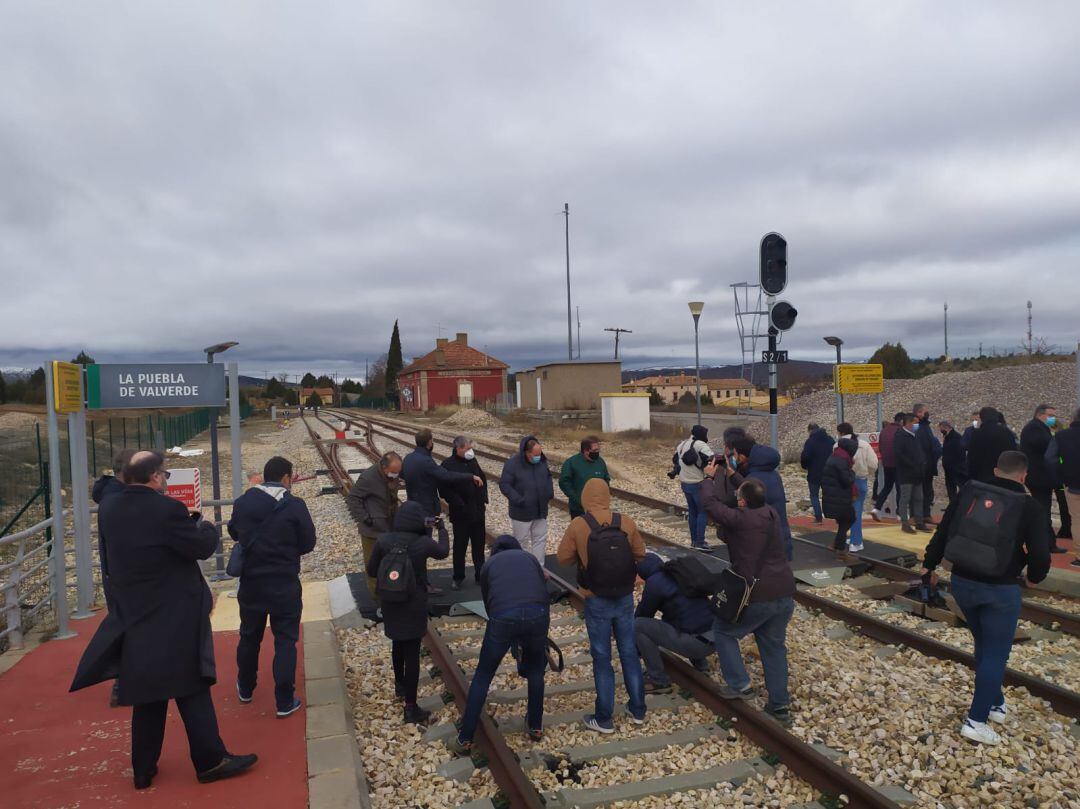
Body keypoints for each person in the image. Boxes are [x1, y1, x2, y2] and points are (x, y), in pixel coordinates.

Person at [71, 451, 257, 789]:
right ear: (155, 477)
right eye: (165, 475)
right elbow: (199, 546)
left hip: (133, 614)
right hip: (174, 616)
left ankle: (143, 769)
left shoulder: (110, 509)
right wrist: (205, 525)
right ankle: (211, 761)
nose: (166, 480)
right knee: (193, 687)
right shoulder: (165, 509)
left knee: (148, 694)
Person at [920, 451, 1050, 745]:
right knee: (996, 653)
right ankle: (976, 721)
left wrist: (929, 564)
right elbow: (1041, 554)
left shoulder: (970, 491)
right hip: (1000, 590)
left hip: (963, 582)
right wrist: (1033, 579)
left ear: (995, 469)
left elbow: (945, 529)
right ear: (1024, 476)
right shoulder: (1030, 506)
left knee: (984, 644)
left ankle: (995, 703)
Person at [700, 466, 796, 727]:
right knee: (774, 646)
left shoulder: (740, 519)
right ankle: (779, 705)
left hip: (757, 593)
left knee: (724, 632)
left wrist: (709, 477)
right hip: (785, 592)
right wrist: (732, 475)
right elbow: (753, 492)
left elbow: (709, 503)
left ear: (742, 501)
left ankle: (740, 684)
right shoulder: (771, 513)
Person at [229, 456, 317, 719]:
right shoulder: (294, 505)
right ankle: (284, 700)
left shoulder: (243, 502)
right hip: (284, 583)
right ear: (286, 478)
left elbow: (235, 532)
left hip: (252, 583)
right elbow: (308, 543)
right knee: (286, 641)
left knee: (249, 636)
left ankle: (245, 687)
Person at [557, 479, 647, 733]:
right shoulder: (625, 521)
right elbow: (641, 554)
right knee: (629, 652)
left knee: (602, 657)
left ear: (585, 498)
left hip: (596, 599)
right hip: (624, 597)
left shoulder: (579, 524)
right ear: (607, 496)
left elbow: (563, 559)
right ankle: (638, 709)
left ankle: (604, 718)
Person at [446, 535, 550, 753]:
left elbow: (488, 602)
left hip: (503, 617)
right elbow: (541, 586)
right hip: (538, 614)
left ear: (494, 552)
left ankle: (464, 739)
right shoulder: (529, 558)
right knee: (536, 670)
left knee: (483, 675)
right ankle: (536, 726)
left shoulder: (489, 565)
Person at [365, 501, 450, 724]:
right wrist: (441, 529)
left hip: (391, 601)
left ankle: (399, 685)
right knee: (412, 653)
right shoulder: (422, 543)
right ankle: (410, 708)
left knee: (397, 643)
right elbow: (443, 552)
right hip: (414, 602)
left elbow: (372, 570)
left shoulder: (384, 541)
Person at [91, 447, 136, 707]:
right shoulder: (119, 501)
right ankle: (122, 683)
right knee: (128, 628)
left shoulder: (109, 496)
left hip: (115, 574)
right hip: (126, 576)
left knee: (125, 625)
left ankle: (124, 681)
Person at [633, 552, 714, 694]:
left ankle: (658, 681)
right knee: (689, 616)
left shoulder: (654, 582)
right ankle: (702, 666)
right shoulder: (677, 573)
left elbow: (643, 614)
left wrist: (635, 649)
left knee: (638, 625)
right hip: (716, 637)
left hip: (695, 645)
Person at [346, 451, 402, 612]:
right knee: (373, 565)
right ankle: (377, 600)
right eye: (393, 471)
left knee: (390, 563)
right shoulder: (368, 477)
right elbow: (353, 498)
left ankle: (389, 594)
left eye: (398, 471)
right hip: (372, 530)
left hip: (389, 527)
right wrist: (365, 518)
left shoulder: (393, 476)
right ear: (384, 467)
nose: (396, 474)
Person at [730, 436, 794, 560]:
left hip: (765, 546)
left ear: (742, 457)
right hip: (781, 539)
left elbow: (744, 512)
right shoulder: (773, 474)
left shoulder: (752, 480)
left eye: (735, 455)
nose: (734, 459)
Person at [440, 436, 489, 589]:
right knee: (460, 546)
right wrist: (459, 503)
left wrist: (483, 500)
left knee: (479, 544)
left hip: (477, 511)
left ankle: (480, 573)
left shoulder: (472, 461)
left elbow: (482, 479)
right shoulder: (448, 464)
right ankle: (458, 576)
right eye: (467, 448)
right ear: (458, 449)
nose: (470, 451)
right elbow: (444, 489)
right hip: (461, 514)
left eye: (470, 448)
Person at [402, 428, 482, 517]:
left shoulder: (407, 458)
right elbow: (447, 475)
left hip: (412, 504)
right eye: (432, 440)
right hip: (426, 509)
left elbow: (402, 475)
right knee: (426, 529)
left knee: (415, 529)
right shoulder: (427, 462)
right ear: (429, 443)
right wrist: (470, 476)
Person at [500, 435, 555, 564]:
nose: (538, 457)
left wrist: (549, 493)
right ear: (526, 452)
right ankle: (523, 568)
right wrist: (519, 500)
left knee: (540, 540)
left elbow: (548, 477)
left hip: (540, 510)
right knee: (521, 542)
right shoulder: (512, 464)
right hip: (521, 512)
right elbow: (504, 485)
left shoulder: (541, 461)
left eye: (539, 453)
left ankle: (539, 567)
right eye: (535, 454)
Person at [1020, 404, 1066, 554]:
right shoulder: (1035, 429)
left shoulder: (1040, 428)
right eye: (1050, 415)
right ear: (1040, 414)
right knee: (1043, 511)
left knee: (1042, 510)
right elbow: (1045, 447)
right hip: (1039, 477)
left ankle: (1046, 542)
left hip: (1040, 476)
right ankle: (1047, 544)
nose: (1053, 419)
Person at [835, 424, 879, 551]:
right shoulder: (864, 445)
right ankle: (856, 540)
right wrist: (865, 473)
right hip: (860, 480)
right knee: (857, 510)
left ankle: (854, 539)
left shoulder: (837, 446)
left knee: (846, 511)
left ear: (841, 433)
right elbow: (873, 464)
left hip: (844, 481)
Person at [1045, 408, 1080, 566]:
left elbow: (1050, 458)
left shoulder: (1062, 436)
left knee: (1078, 520)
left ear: (1073, 418)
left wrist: (1061, 475)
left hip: (1073, 484)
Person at [673, 425, 715, 549]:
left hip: (685, 483)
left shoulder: (682, 444)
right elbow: (713, 459)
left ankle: (694, 541)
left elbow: (675, 460)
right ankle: (700, 542)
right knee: (702, 511)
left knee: (692, 512)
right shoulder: (701, 445)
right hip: (698, 483)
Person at [895, 413, 931, 534]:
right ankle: (905, 524)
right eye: (915, 423)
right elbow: (899, 454)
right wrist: (912, 464)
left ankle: (919, 522)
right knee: (905, 499)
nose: (917, 425)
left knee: (919, 498)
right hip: (906, 473)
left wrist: (922, 463)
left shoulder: (915, 435)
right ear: (909, 423)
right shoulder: (900, 435)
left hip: (918, 473)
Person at [821, 437, 858, 557]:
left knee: (844, 521)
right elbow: (847, 480)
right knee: (850, 519)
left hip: (832, 497)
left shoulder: (834, 457)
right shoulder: (842, 461)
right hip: (840, 498)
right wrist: (853, 473)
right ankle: (840, 549)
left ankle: (836, 544)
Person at [559, 435, 610, 519]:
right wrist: (577, 498)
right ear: (586, 451)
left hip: (599, 509)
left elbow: (606, 479)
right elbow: (564, 482)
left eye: (598, 449)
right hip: (579, 509)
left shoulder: (600, 462)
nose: (597, 452)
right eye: (594, 450)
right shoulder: (571, 463)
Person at [967, 407, 1019, 484]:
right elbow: (1014, 453)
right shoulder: (1007, 432)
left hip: (984, 479)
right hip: (1005, 476)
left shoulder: (978, 434)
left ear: (982, 419)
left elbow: (972, 458)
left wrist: (972, 477)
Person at [872, 413, 905, 520]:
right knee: (901, 489)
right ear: (901, 421)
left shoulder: (884, 431)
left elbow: (880, 447)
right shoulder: (901, 431)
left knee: (887, 487)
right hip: (899, 464)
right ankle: (900, 513)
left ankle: (876, 508)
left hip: (887, 464)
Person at [799, 423, 833, 524]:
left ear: (809, 430)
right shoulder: (830, 439)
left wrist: (804, 466)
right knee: (827, 495)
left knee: (814, 495)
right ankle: (830, 515)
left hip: (814, 473)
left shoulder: (810, 441)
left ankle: (818, 518)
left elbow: (805, 457)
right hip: (828, 471)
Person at [913, 404, 940, 524]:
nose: (927, 413)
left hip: (928, 465)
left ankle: (926, 514)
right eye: (925, 412)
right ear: (918, 413)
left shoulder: (925, 427)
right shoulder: (916, 428)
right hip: (919, 465)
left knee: (928, 491)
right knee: (917, 492)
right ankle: (915, 515)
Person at [939, 421, 967, 503]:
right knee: (950, 488)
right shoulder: (947, 437)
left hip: (955, 467)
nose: (941, 430)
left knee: (959, 486)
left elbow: (959, 451)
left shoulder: (955, 437)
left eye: (941, 428)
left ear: (946, 427)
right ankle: (953, 505)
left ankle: (960, 504)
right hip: (949, 467)